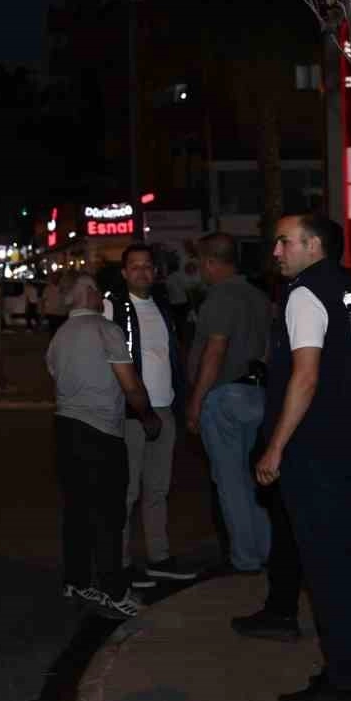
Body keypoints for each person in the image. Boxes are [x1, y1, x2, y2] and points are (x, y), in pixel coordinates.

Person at [252, 214, 351, 701]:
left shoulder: (305, 295)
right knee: (350, 562)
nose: (276, 252)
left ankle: (343, 683)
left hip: (317, 452)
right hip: (350, 445)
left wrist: (275, 447)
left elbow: (304, 377)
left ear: (314, 245)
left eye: (284, 242)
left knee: (328, 570)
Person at [47, 271, 162, 621]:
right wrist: (148, 417)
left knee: (76, 510)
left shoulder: (59, 337)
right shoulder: (105, 330)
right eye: (98, 292)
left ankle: (77, 581)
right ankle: (114, 591)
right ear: (89, 293)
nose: (102, 299)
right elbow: (130, 385)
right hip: (101, 434)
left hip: (65, 430)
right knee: (108, 515)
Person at [183, 232, 274, 575]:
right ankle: (265, 549)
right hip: (257, 393)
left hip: (224, 397)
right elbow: (268, 348)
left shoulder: (220, 297)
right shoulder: (258, 296)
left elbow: (215, 352)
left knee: (231, 482)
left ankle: (245, 558)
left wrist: (196, 401)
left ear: (210, 262)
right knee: (254, 478)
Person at [103, 243, 194, 585]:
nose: (141, 272)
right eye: (134, 266)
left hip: (164, 409)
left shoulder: (163, 307)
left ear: (155, 272)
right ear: (124, 272)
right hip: (130, 412)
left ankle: (159, 557)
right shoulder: (112, 307)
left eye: (147, 266)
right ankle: (121, 563)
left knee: (158, 489)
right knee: (126, 492)